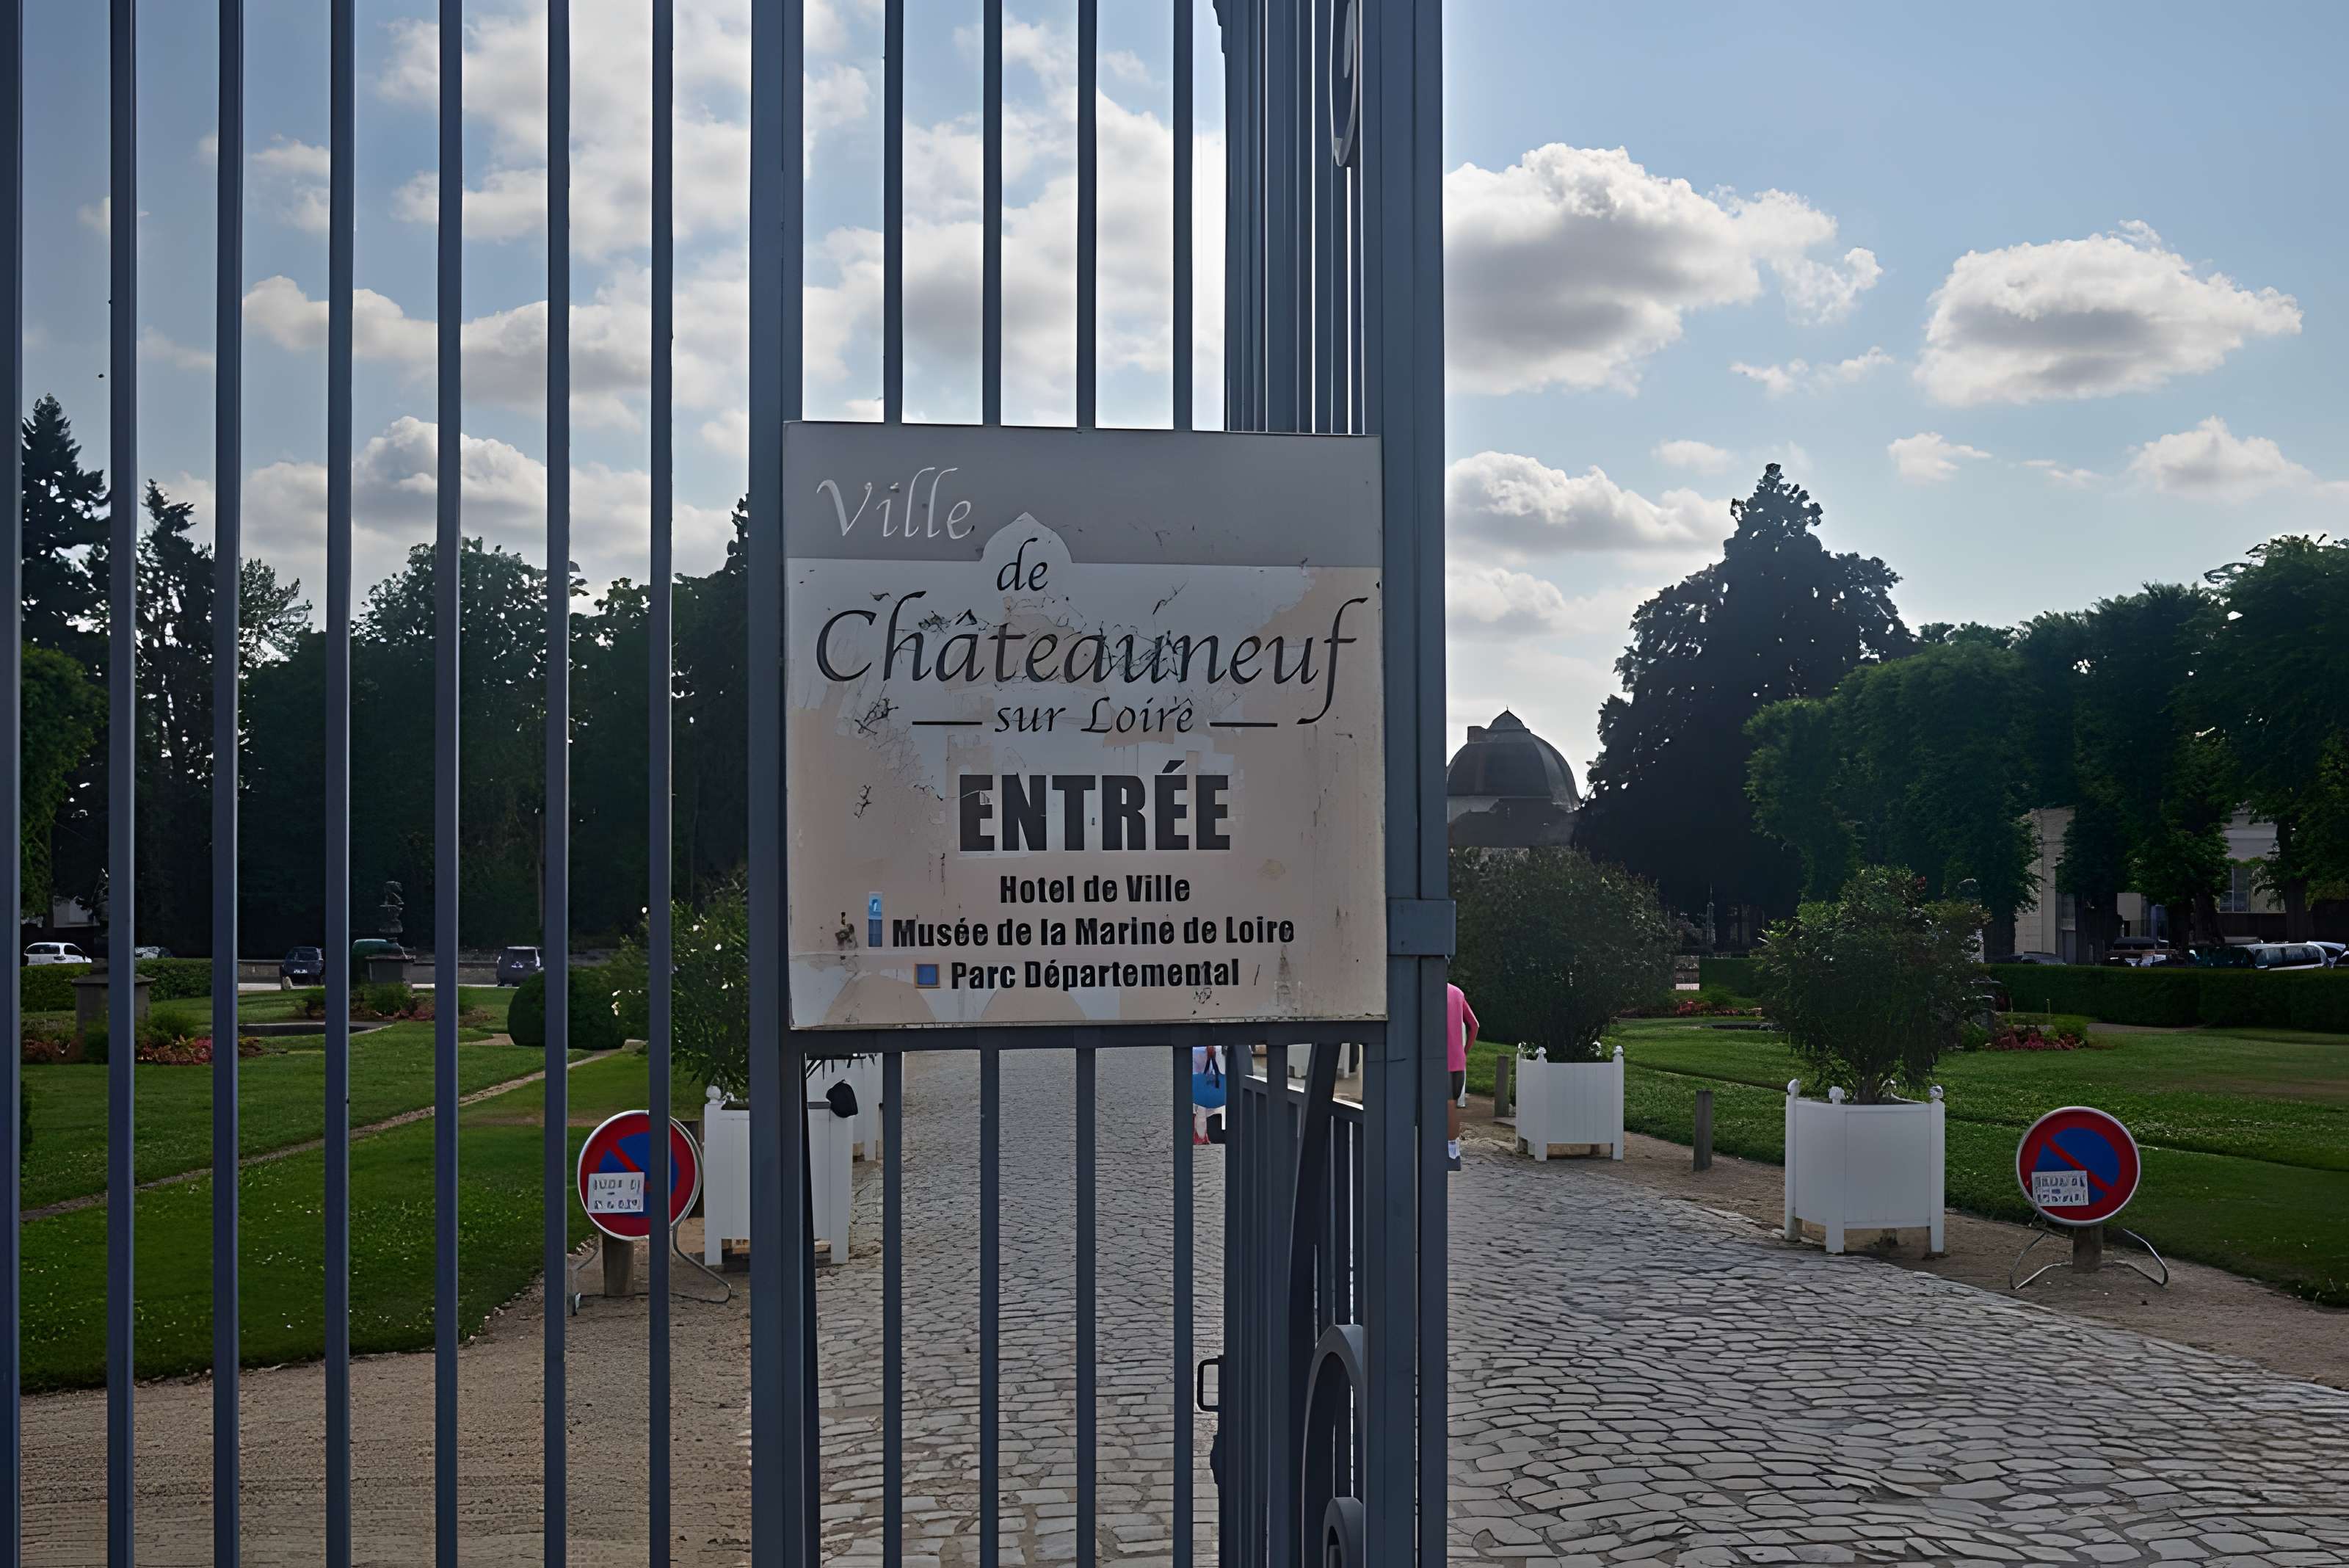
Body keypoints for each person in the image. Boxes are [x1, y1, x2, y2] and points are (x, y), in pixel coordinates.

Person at [1445, 981, 1478, 1172]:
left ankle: (1450, 1154)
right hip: (1459, 1061)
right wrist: (1465, 1052)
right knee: (1453, 1106)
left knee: (1447, 1106)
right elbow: (1474, 1025)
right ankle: (1454, 1151)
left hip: (1440, 1061)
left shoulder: (1430, 991)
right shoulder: (1458, 993)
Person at [1191, 1043, 1227, 1144]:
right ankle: (1199, 1134)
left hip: (1201, 1049)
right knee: (1202, 1091)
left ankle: (1200, 1134)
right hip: (1203, 1049)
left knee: (1202, 1091)